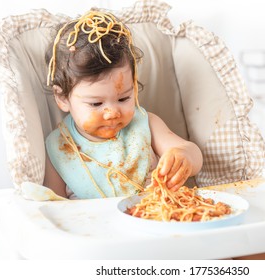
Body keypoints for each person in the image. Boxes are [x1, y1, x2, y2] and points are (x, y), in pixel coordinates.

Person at [43, 10, 203, 199]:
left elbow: (194, 155)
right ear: (62, 98)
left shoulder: (146, 124)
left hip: (155, 218)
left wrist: (183, 157)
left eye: (123, 99)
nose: (112, 113)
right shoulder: (58, 148)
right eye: (96, 103)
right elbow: (53, 205)